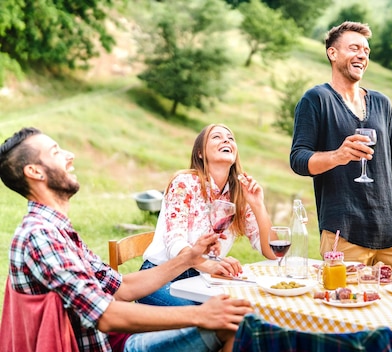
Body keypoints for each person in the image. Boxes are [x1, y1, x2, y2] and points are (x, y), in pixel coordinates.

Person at [0, 127, 253, 352]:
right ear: (34, 171)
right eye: (56, 152)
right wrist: (201, 315)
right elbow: (106, 315)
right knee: (233, 328)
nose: (70, 156)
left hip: (115, 340)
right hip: (111, 345)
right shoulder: (40, 234)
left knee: (234, 323)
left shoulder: (57, 229)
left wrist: (189, 257)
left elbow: (122, 288)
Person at [289, 21, 392, 273]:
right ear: (333, 53)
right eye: (354, 48)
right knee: (345, 308)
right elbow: (298, 159)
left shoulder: (381, 103)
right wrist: (338, 155)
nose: (362, 55)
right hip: (344, 234)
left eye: (366, 51)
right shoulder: (316, 99)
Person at [139, 123, 277, 306]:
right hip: (160, 276)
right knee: (202, 318)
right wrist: (209, 264)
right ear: (200, 153)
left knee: (244, 312)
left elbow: (273, 252)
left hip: (203, 281)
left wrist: (258, 205)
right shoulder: (184, 183)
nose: (226, 140)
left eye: (230, 138)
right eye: (216, 137)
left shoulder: (239, 194)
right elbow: (175, 243)